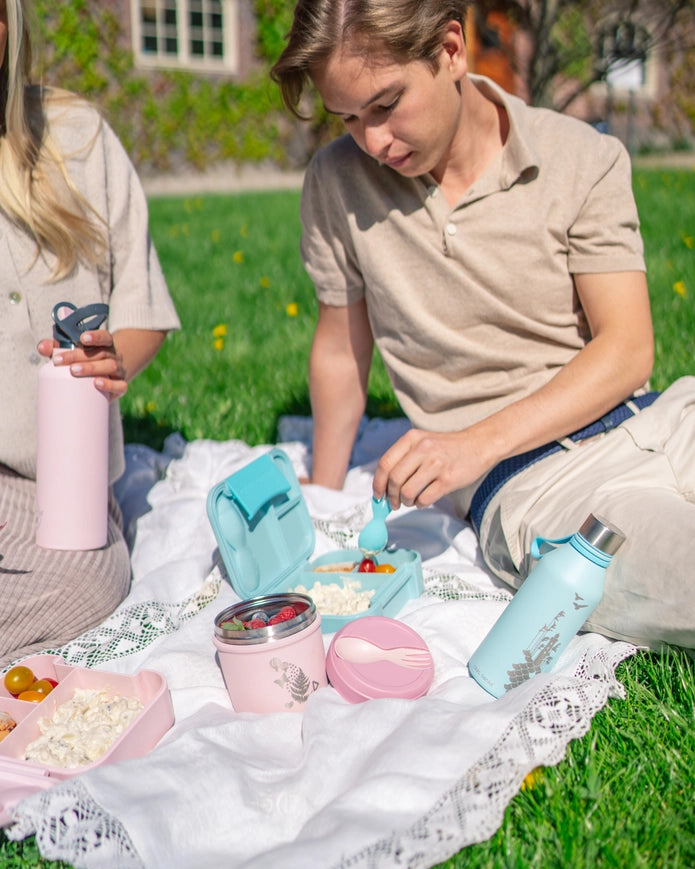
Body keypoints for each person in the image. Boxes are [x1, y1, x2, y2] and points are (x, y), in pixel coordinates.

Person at [270, 0, 695, 650]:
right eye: (348, 118)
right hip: (540, 490)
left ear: (449, 49)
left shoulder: (581, 155)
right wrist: (323, 488)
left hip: (659, 419)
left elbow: (629, 348)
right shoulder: (336, 182)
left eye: (385, 105)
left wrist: (467, 443)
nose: (372, 141)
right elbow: (339, 349)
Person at [0, 0, 180, 665]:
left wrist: (115, 360)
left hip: (55, 483)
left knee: (85, 585)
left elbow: (142, 311)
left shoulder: (77, 138)